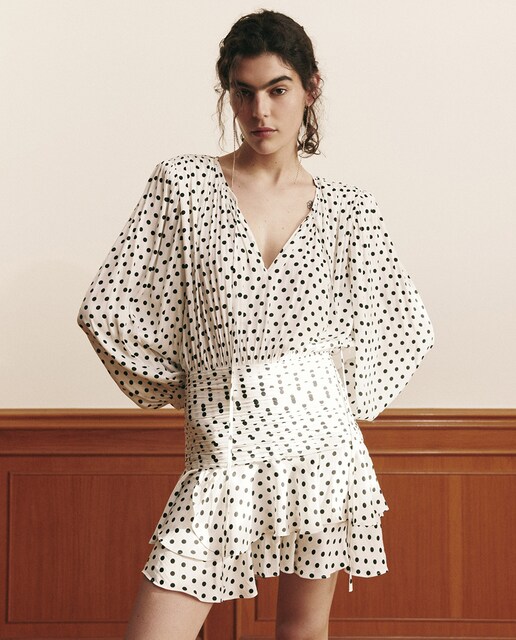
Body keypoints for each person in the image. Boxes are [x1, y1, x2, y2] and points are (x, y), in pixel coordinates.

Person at [77, 9, 434, 640]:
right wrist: (194, 388)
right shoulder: (184, 185)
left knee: (301, 631)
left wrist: (342, 399)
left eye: (277, 89)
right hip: (224, 443)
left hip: (323, 444)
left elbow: (405, 325)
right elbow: (108, 309)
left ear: (311, 88)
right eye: (243, 92)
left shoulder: (349, 209)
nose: (259, 111)